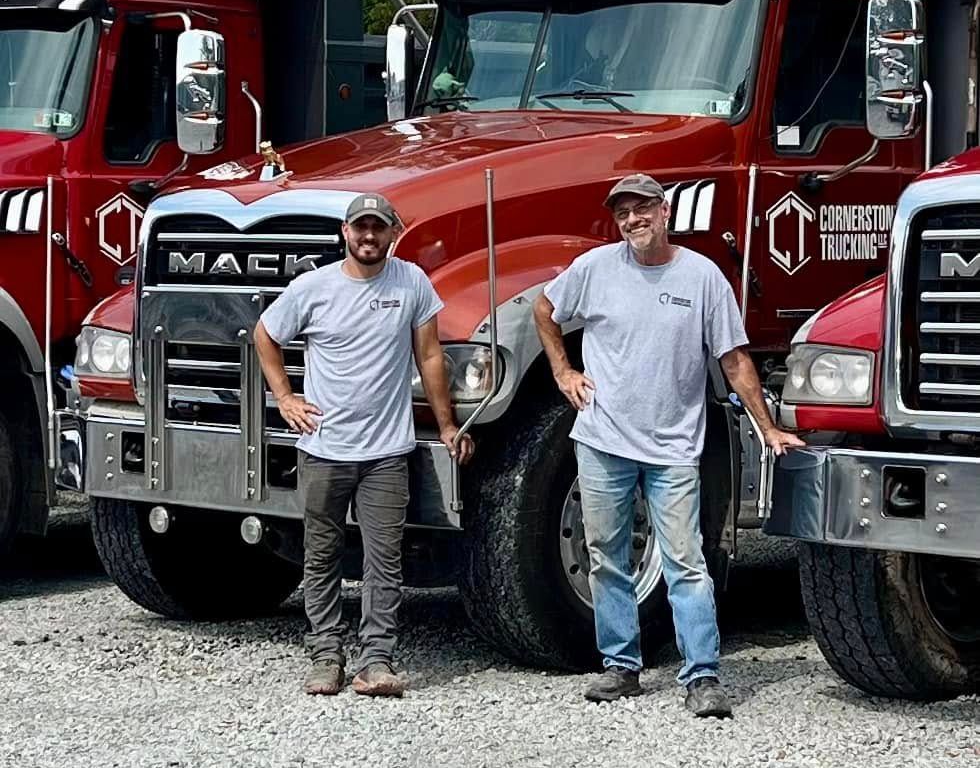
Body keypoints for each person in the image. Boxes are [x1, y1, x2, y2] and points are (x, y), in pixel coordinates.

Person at [533, 173, 804, 718]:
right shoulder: (594, 270)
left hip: (674, 448)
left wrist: (767, 426)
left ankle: (702, 676)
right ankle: (621, 667)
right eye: (623, 213)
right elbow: (544, 310)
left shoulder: (703, 277)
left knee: (686, 561)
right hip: (603, 439)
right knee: (606, 557)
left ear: (665, 213)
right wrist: (564, 372)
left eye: (641, 210)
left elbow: (733, 360)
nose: (632, 220)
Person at [256, 193, 474, 698]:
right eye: (360, 228)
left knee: (384, 559)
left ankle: (376, 661)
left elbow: (430, 356)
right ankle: (325, 656)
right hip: (324, 447)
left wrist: (446, 425)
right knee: (322, 554)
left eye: (378, 228)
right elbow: (264, 334)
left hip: (386, 452)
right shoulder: (313, 288)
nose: (368, 237)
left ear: (392, 232)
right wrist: (285, 398)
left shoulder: (412, 281)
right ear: (344, 233)